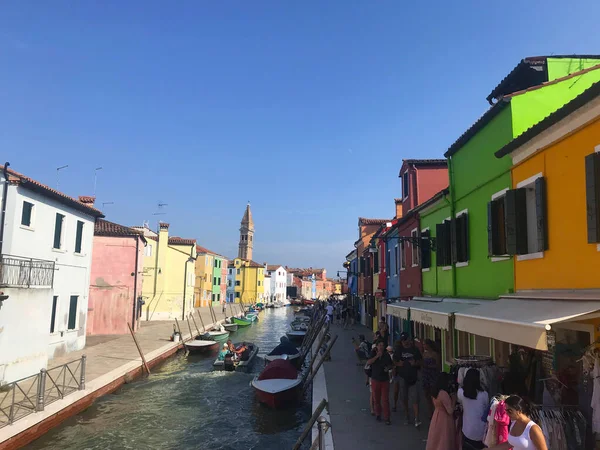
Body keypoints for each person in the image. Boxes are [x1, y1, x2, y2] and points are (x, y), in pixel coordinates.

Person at [393, 332, 423, 427]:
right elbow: (394, 360)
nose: (405, 342)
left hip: (413, 377)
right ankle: (406, 415)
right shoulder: (399, 350)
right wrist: (398, 364)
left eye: (406, 340)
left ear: (409, 340)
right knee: (404, 397)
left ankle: (416, 418)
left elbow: (421, 361)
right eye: (403, 340)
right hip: (402, 378)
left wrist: (415, 363)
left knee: (415, 398)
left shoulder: (415, 350)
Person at [457, 368, 489, 449]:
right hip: (480, 431)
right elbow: (486, 408)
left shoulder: (460, 392)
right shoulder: (484, 394)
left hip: (467, 429)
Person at [426, 372, 457, 450]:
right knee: (443, 439)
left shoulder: (435, 391)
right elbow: (450, 410)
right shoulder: (443, 394)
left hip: (436, 415)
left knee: (436, 439)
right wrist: (453, 399)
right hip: (444, 418)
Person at [367, 341, 393, 425]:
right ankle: (378, 414)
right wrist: (377, 356)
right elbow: (369, 362)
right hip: (375, 379)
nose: (381, 347)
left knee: (385, 399)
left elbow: (391, 365)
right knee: (376, 398)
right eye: (380, 345)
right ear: (377, 346)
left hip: (384, 379)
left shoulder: (386, 355)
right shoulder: (373, 353)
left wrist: (388, 368)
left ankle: (387, 417)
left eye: (383, 345)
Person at [422, 339, 442, 419]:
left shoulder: (435, 354)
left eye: (424, 344)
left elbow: (438, 366)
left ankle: (435, 412)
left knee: (433, 395)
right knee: (427, 395)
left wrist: (429, 367)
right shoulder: (424, 354)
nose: (423, 346)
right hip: (425, 375)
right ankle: (430, 413)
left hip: (433, 375)